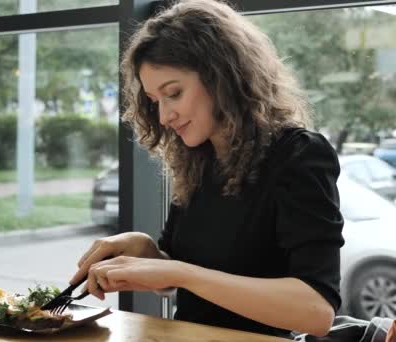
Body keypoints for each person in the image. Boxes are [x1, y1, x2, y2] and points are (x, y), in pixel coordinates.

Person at [69, 0, 344, 338]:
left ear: (222, 77)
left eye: (174, 93)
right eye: (155, 101)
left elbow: (316, 311)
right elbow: (178, 278)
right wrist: (146, 250)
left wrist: (182, 274)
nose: (164, 116)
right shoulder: (198, 159)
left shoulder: (299, 155)